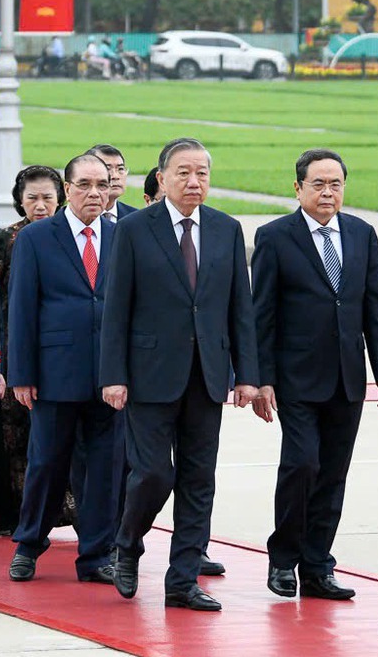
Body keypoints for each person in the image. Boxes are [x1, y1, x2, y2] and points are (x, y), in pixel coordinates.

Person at [99, 137, 262, 611]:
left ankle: (183, 579)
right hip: (148, 374)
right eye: (184, 173)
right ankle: (127, 543)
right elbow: (117, 308)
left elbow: (240, 308)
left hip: (208, 374)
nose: (194, 182)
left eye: (202, 174)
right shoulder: (134, 229)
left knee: (198, 478)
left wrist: (246, 375)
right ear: (162, 178)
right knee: (152, 474)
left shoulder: (226, 229)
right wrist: (114, 374)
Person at [250, 149, 378, 600]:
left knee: (333, 473)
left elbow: (375, 303)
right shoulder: (275, 237)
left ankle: (317, 566)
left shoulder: (361, 234)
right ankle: (283, 559)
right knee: (301, 465)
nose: (328, 192)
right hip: (295, 379)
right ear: (298, 189)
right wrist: (261, 378)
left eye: (335, 184)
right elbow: (262, 315)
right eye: (318, 184)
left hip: (347, 377)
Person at [8, 155, 122, 583]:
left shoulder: (121, 235)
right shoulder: (38, 238)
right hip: (55, 371)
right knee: (47, 462)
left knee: (104, 468)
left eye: (102, 184)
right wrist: (22, 372)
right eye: (85, 184)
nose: (95, 193)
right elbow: (22, 307)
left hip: (109, 376)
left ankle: (96, 554)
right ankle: (30, 542)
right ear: (68, 189)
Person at [0, 164, 66, 539]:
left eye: (47, 197)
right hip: (11, 350)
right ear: (19, 201)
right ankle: (17, 516)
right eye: (32, 198)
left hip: (58, 351)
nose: (40, 205)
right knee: (13, 435)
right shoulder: (3, 241)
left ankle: (62, 511)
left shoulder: (70, 238)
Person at [88, 145, 128, 222]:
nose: (115, 176)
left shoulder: (135, 217)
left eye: (120, 169)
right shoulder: (75, 217)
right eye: (107, 169)